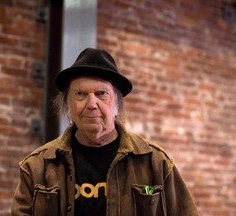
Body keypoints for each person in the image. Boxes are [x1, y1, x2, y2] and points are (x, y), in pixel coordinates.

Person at [11, 48, 199, 216]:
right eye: (80, 94)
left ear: (117, 104)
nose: (91, 104)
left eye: (102, 94)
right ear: (68, 105)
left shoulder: (156, 163)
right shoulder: (36, 167)